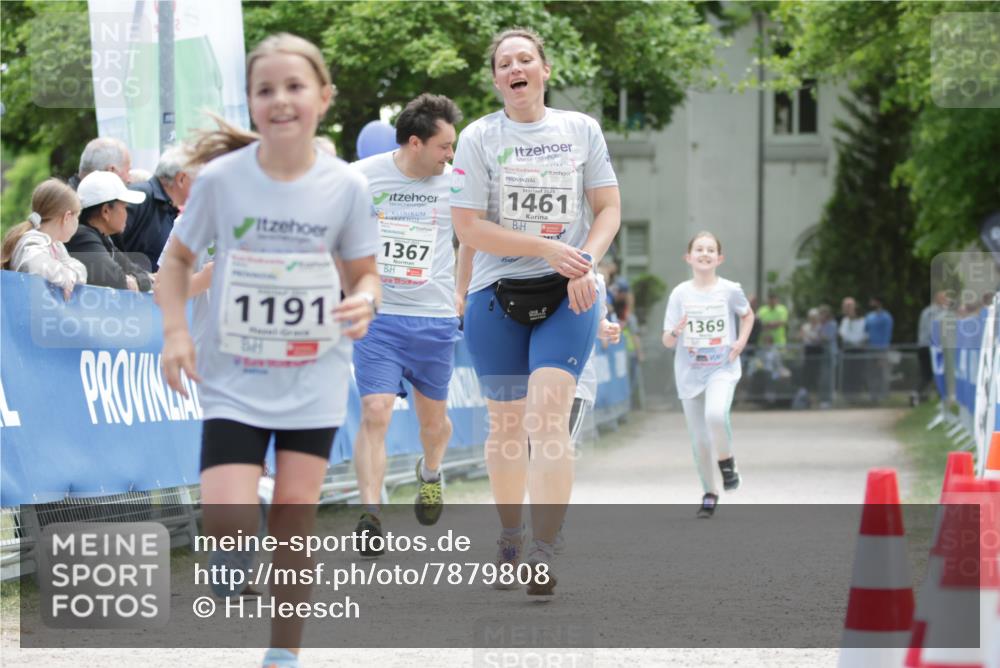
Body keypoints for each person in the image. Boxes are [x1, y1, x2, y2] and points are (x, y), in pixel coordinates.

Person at [158, 33, 380, 668]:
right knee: (227, 521)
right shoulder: (223, 181)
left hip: (312, 376)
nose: (280, 99)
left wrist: (363, 300)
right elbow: (174, 262)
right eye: (265, 89)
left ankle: (282, 654)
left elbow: (365, 273)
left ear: (323, 97)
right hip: (233, 373)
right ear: (252, 103)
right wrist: (176, 331)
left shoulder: (345, 186)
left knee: (291, 519)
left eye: (294, 87)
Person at [452, 26, 621, 596]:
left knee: (547, 417)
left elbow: (608, 209)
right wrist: (547, 247)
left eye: (527, 58)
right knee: (505, 426)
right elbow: (468, 226)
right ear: (497, 78)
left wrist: (584, 263)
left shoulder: (581, 130)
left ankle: (545, 549)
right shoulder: (478, 137)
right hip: (495, 294)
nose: (516, 68)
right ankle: (509, 533)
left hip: (567, 293)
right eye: (505, 62)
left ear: (545, 70)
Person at [348, 93, 463, 554]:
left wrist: (462, 288)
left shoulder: (456, 184)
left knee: (433, 426)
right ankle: (371, 514)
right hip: (380, 317)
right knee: (375, 411)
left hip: (433, 319)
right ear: (415, 143)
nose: (450, 155)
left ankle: (430, 473)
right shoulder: (360, 178)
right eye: (444, 146)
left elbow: (473, 236)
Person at [662, 231, 754, 518]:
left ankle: (727, 463)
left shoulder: (729, 290)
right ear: (688, 257)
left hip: (721, 367)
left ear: (719, 258)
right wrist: (677, 330)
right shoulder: (679, 293)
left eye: (710, 250)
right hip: (690, 372)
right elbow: (667, 340)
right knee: (700, 441)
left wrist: (740, 341)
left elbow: (747, 314)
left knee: (716, 415)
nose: (704, 254)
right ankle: (709, 493)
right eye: (699, 249)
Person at [65, 171, 152, 292]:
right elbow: (117, 279)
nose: (127, 213)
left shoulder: (102, 238)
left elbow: (137, 271)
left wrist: (140, 280)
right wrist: (139, 280)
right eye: (124, 207)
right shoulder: (82, 236)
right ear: (106, 211)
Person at [1, 178, 87, 300]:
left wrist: (69, 275)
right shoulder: (31, 240)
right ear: (67, 217)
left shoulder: (56, 246)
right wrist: (65, 275)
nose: (77, 222)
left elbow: (80, 269)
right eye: (77, 217)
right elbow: (35, 264)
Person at [118, 145, 196, 271]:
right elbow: (109, 247)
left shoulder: (170, 207)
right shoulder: (139, 196)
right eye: (197, 180)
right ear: (181, 179)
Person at [917, 291, 950, 403]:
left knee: (932, 374)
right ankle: (916, 395)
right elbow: (933, 330)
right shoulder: (932, 312)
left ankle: (936, 398)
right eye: (944, 298)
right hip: (927, 346)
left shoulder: (935, 311)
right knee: (928, 374)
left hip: (930, 346)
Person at [865, 296, 894, 404]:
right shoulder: (869, 317)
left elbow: (887, 334)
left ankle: (883, 394)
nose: (871, 304)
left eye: (873, 302)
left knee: (882, 372)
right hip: (870, 349)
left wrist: (884, 350)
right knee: (872, 372)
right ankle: (873, 395)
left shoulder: (886, 317)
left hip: (882, 349)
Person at [839, 296, 867, 400]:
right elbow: (843, 334)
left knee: (857, 374)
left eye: (849, 306)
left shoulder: (863, 321)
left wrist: (853, 340)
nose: (847, 309)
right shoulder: (845, 321)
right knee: (847, 374)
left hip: (859, 351)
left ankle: (857, 396)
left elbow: (862, 336)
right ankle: (847, 397)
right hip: (848, 351)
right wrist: (852, 340)